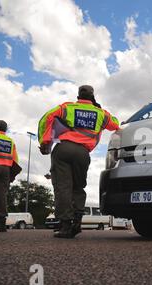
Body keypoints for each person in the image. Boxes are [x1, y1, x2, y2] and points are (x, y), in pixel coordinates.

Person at [38, 85, 120, 238]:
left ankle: (65, 226)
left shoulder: (67, 107)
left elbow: (47, 117)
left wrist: (45, 141)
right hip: (83, 153)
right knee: (78, 187)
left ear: (78, 95)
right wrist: (98, 108)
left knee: (63, 187)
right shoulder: (101, 113)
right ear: (92, 96)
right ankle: (77, 220)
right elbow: (116, 123)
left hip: (63, 149)